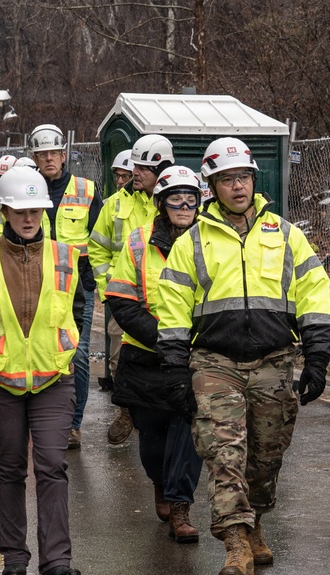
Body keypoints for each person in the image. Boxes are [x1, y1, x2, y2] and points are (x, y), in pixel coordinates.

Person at [156, 137, 330, 575]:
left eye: (244, 177)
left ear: (254, 180)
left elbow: (313, 291)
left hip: (274, 361)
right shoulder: (192, 240)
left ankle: (255, 522)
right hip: (215, 363)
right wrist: (176, 368)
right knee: (224, 454)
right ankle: (235, 543)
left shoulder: (286, 235)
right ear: (211, 186)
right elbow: (173, 305)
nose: (237, 186)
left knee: (266, 456)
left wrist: (317, 354)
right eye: (227, 180)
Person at [0, 167, 84, 575]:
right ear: (5, 210)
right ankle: (13, 556)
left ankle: (56, 561)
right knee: (9, 469)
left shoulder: (66, 257)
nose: (29, 218)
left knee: (52, 466)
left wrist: (59, 347)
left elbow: (77, 309)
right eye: (20, 210)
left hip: (53, 381)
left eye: (36, 210)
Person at [105, 165, 204, 542]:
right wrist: (165, 339)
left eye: (190, 198)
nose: (184, 205)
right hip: (146, 357)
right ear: (161, 204)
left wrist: (190, 343)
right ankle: (160, 483)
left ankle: (180, 506)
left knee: (188, 431)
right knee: (153, 441)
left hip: (193, 359)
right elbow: (121, 300)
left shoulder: (209, 241)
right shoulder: (137, 242)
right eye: (175, 199)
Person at [89, 137, 173, 445]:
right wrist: (110, 285)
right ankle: (127, 410)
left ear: (162, 168)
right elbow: (97, 246)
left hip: (172, 298)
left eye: (142, 167)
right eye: (134, 166)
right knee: (119, 358)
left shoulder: (177, 198)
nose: (134, 172)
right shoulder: (116, 203)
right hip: (128, 300)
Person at [28, 123, 103, 449]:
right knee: (43, 352)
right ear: (34, 157)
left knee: (80, 355)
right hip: (38, 286)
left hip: (77, 289)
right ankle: (45, 419)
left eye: (53, 153)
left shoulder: (85, 190)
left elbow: (98, 241)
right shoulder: (26, 190)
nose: (48, 159)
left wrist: (94, 282)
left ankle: (73, 424)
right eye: (42, 154)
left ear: (63, 154)